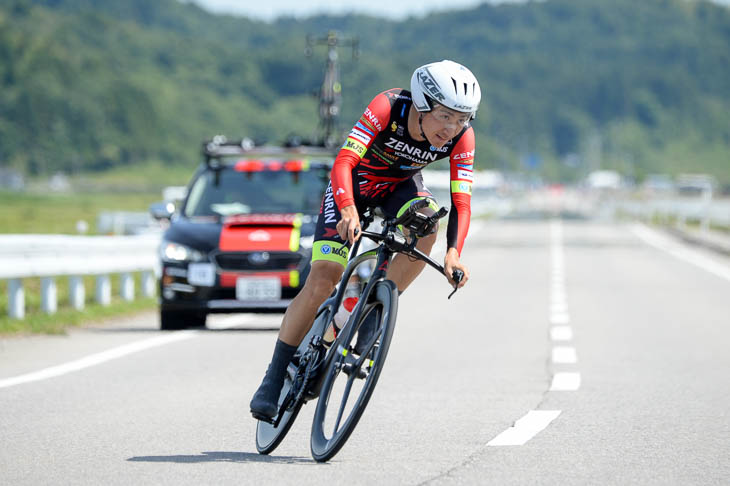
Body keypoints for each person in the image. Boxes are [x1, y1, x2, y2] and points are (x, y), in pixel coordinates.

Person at [250, 59, 481, 420]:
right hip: (351, 187)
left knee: (428, 224)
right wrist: (346, 209)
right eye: (445, 116)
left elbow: (461, 199)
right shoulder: (387, 107)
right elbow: (343, 161)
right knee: (323, 280)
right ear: (422, 104)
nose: (452, 128)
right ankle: (275, 374)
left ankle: (378, 302)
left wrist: (454, 253)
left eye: (462, 119)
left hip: (398, 190)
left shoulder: (462, 137)